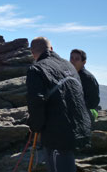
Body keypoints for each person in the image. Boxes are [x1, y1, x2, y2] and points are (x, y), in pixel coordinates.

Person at [26, 37, 91, 172]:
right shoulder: (69, 66)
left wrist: (35, 126)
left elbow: (36, 101)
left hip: (57, 132)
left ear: (33, 53)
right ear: (51, 49)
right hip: (79, 125)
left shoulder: (36, 69)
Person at [70, 49, 100, 122]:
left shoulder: (88, 78)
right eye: (71, 58)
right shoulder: (69, 75)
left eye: (77, 59)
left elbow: (93, 102)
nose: (73, 61)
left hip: (88, 111)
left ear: (84, 62)